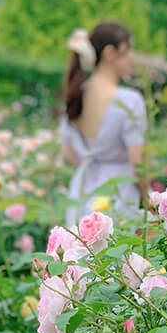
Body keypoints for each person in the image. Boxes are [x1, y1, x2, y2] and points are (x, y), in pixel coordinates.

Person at [60, 22, 147, 227]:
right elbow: (137, 162)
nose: (132, 58)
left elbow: (68, 152)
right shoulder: (128, 100)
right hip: (118, 192)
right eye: (128, 51)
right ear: (110, 52)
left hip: (81, 190)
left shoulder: (76, 95)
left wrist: (93, 162)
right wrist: (148, 196)